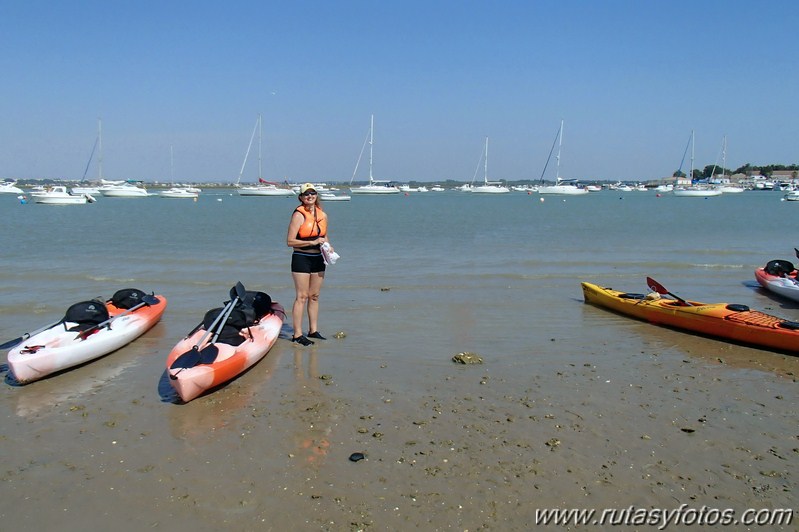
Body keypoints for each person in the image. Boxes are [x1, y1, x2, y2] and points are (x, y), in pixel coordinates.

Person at [286, 183, 333, 346]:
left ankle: (313, 330)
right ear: (301, 197)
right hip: (301, 258)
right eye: (306, 194)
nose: (310, 196)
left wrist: (329, 246)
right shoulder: (298, 215)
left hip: (319, 258)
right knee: (302, 296)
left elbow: (324, 236)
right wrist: (312, 242)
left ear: (316, 196)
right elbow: (290, 241)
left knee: (315, 295)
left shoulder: (323, 215)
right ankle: (297, 334)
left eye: (312, 193)